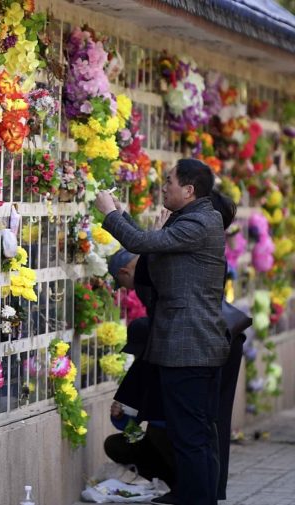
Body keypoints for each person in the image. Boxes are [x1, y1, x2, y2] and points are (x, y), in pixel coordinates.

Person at [95, 159, 229, 505]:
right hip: (186, 346)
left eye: (169, 181)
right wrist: (124, 216)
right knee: (192, 436)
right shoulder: (192, 219)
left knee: (192, 438)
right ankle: (192, 495)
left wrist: (110, 214)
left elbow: (141, 243)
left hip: (191, 347)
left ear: (188, 190)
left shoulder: (199, 221)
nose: (164, 187)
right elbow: (150, 243)